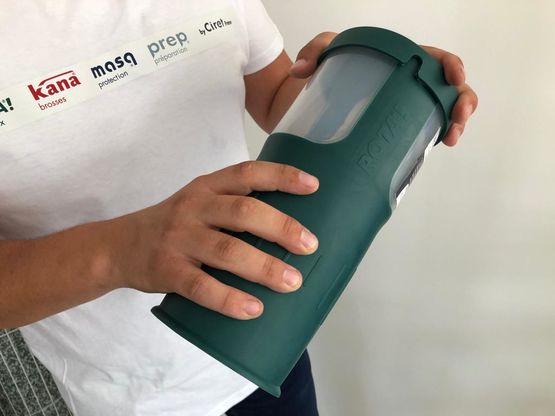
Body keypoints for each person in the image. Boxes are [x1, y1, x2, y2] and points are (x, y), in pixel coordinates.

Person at [0, 1, 478, 415]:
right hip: (129, 392)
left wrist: (356, 84)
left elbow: (276, 99)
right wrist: (122, 250)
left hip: (268, 333)